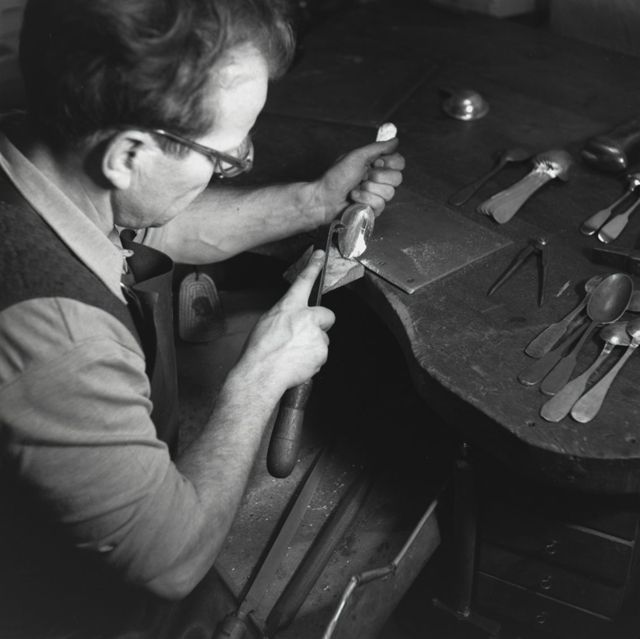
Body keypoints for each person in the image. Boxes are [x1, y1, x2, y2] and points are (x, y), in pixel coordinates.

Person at [0, 0, 404, 636]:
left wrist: (313, 201)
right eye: (220, 156)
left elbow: (141, 220)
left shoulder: (34, 153)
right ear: (126, 154)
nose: (231, 165)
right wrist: (260, 377)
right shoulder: (60, 339)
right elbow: (172, 561)